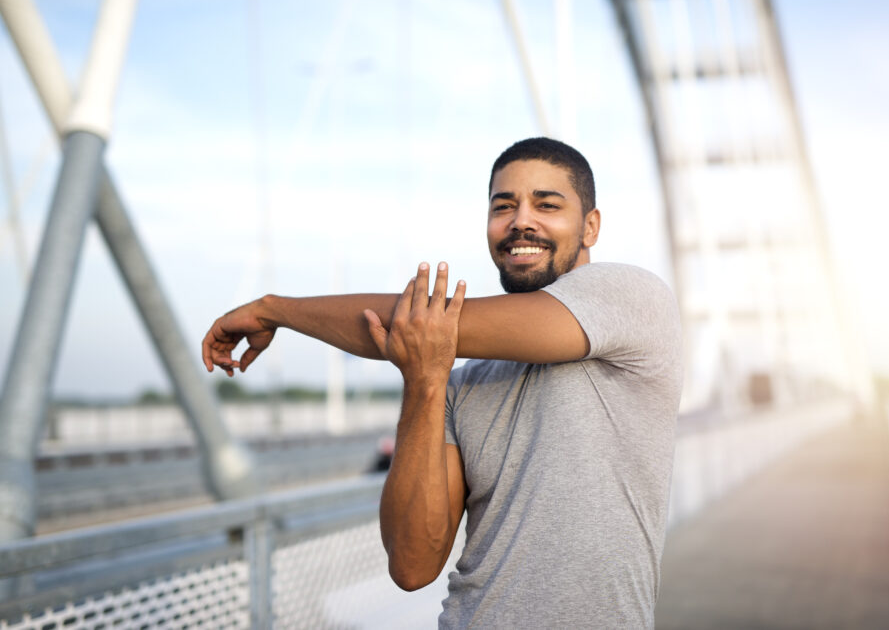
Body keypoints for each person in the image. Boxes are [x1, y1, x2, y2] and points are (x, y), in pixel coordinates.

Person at [201, 137, 683, 627]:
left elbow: (418, 324)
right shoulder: (458, 384)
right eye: (504, 206)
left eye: (547, 204)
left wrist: (274, 310)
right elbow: (412, 566)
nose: (521, 220)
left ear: (591, 227)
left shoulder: (632, 297)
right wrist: (424, 384)